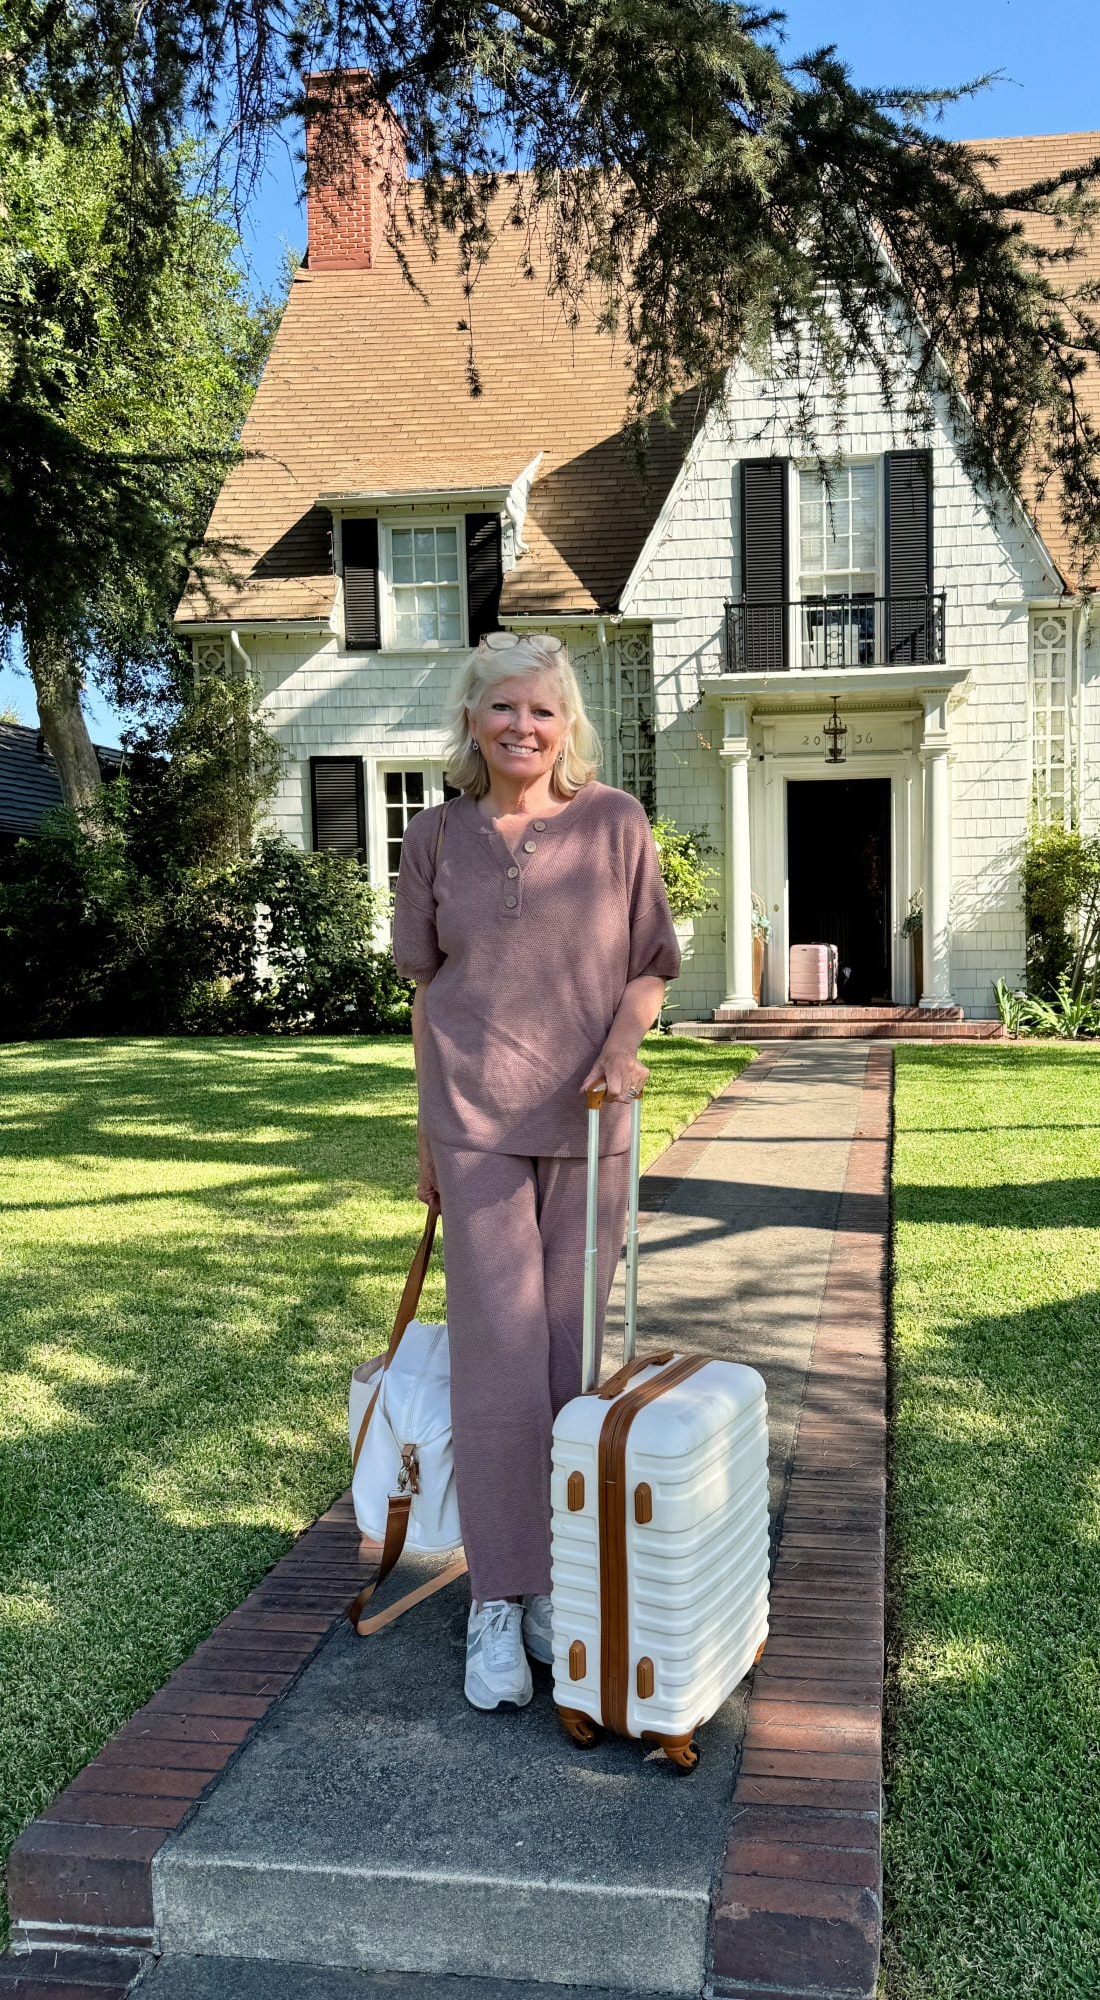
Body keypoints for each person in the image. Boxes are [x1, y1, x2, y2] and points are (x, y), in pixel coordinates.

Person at [392, 631, 681, 1712]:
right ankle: (495, 1600)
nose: (523, 726)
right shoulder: (434, 834)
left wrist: (622, 1043)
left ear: (569, 725)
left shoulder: (615, 823)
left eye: (543, 711)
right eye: (503, 707)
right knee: (497, 1363)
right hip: (471, 1120)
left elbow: (649, 963)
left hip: (592, 1121)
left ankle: (566, 1584)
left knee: (568, 1356)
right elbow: (423, 993)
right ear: (473, 718)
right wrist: (425, 1132)